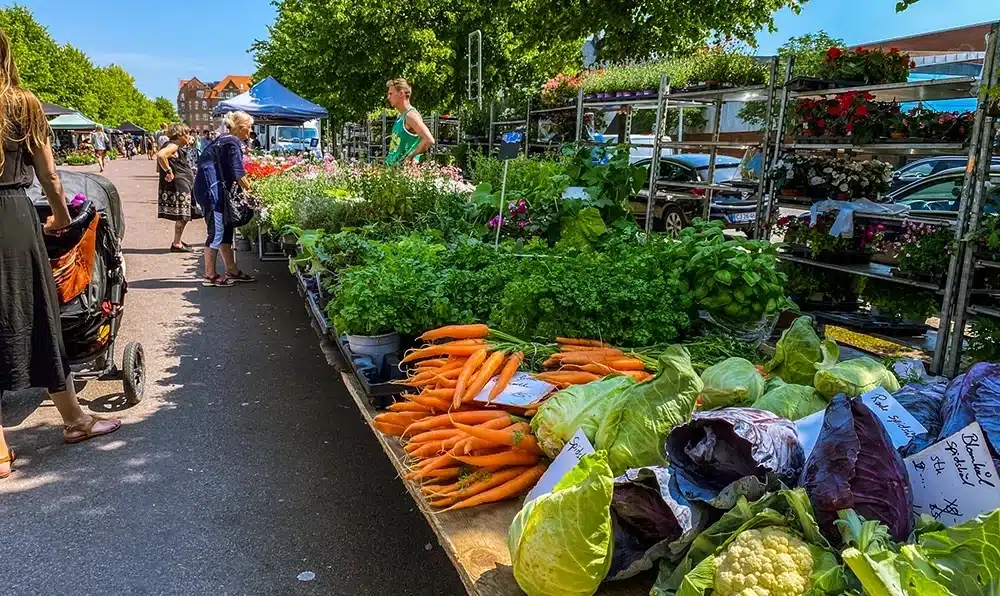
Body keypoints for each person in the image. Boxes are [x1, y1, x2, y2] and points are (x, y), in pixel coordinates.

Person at [0, 29, 121, 478]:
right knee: (35, 312)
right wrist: (61, 219)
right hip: (11, 217)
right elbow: (50, 175)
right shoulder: (21, 104)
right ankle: (73, 419)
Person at [192, 110, 256, 287]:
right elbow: (238, 173)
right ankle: (209, 275)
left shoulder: (224, 139)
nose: (251, 131)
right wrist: (253, 192)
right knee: (216, 231)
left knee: (226, 229)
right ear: (241, 127)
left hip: (210, 189)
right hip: (213, 192)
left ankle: (232, 270)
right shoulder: (232, 141)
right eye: (249, 127)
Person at [156, 123, 200, 252]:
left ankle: (177, 241)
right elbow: (161, 155)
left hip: (182, 183)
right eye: (187, 134)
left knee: (184, 214)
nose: (189, 136)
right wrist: (169, 171)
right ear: (180, 135)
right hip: (180, 185)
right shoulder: (173, 146)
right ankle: (176, 243)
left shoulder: (174, 146)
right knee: (182, 215)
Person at [384, 78, 434, 166]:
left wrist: (411, 157)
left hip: (403, 171)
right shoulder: (400, 116)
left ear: (401, 93)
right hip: (392, 169)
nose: (388, 97)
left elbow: (429, 140)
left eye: (391, 94)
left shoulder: (411, 115)